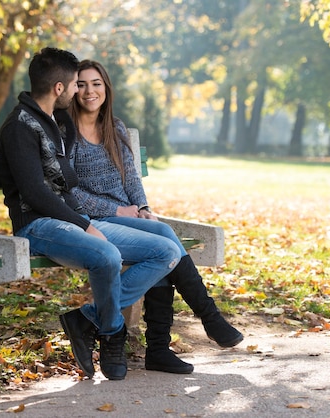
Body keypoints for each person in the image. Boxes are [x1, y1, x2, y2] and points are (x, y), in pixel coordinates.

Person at [0, 47, 184, 381]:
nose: (78, 92)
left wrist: (90, 220)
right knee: (107, 256)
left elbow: (68, 184)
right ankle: (112, 335)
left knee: (166, 250)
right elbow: (35, 194)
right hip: (37, 226)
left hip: (73, 220)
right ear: (59, 89)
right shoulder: (20, 127)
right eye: (73, 85)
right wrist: (85, 224)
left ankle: (86, 319)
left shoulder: (53, 120)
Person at [69, 59, 244, 375]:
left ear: (106, 88)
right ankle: (198, 325)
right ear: (72, 89)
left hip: (126, 216)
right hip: (92, 220)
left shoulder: (115, 127)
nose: (89, 91)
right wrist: (116, 210)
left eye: (96, 83)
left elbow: (132, 178)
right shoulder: (66, 131)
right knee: (164, 243)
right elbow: (67, 190)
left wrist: (144, 209)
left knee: (160, 233)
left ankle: (165, 344)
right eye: (81, 84)